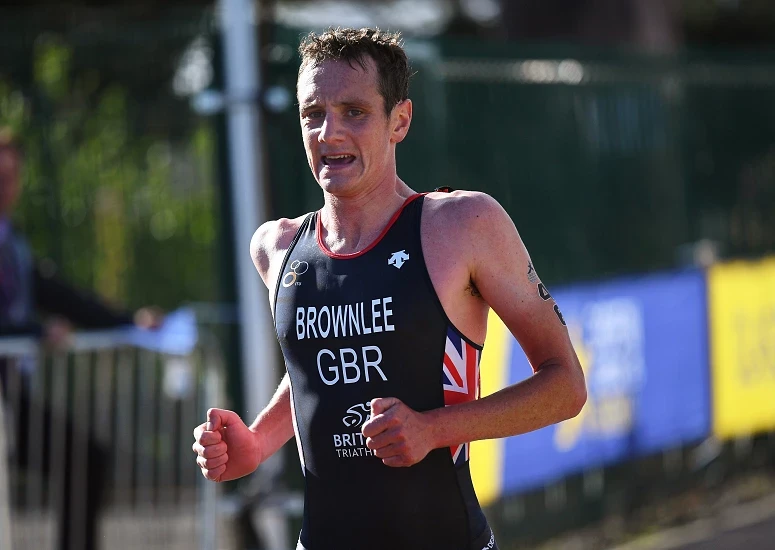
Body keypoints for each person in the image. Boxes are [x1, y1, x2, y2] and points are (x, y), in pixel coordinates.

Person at [192, 28, 586, 550]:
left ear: (399, 120)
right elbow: (317, 371)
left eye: (354, 112)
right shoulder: (277, 247)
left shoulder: (462, 224)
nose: (329, 132)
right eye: (313, 113)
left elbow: (565, 386)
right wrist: (257, 442)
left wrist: (432, 428)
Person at [0, 129, 161, 550]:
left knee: (83, 459)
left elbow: (58, 295)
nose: (6, 188)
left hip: (11, 396)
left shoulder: (11, 240)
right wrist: (33, 332)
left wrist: (128, 322)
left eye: (11, 178)